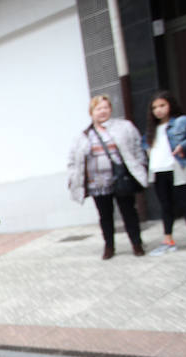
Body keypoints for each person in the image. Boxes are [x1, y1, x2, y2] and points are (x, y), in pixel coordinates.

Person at [68, 94, 147, 259]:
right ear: (91, 112)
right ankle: (109, 246)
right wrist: (73, 178)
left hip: (121, 179)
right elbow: (73, 160)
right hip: (97, 183)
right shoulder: (83, 136)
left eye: (105, 107)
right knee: (105, 216)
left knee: (129, 212)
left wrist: (141, 166)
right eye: (98, 108)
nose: (102, 111)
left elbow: (138, 148)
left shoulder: (124, 127)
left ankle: (136, 243)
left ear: (111, 109)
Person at [142, 90, 186, 255]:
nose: (158, 110)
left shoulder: (182, 122)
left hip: (176, 168)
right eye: (155, 107)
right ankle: (168, 241)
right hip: (158, 171)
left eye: (162, 105)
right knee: (165, 207)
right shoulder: (152, 129)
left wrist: (183, 146)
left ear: (170, 104)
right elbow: (145, 145)